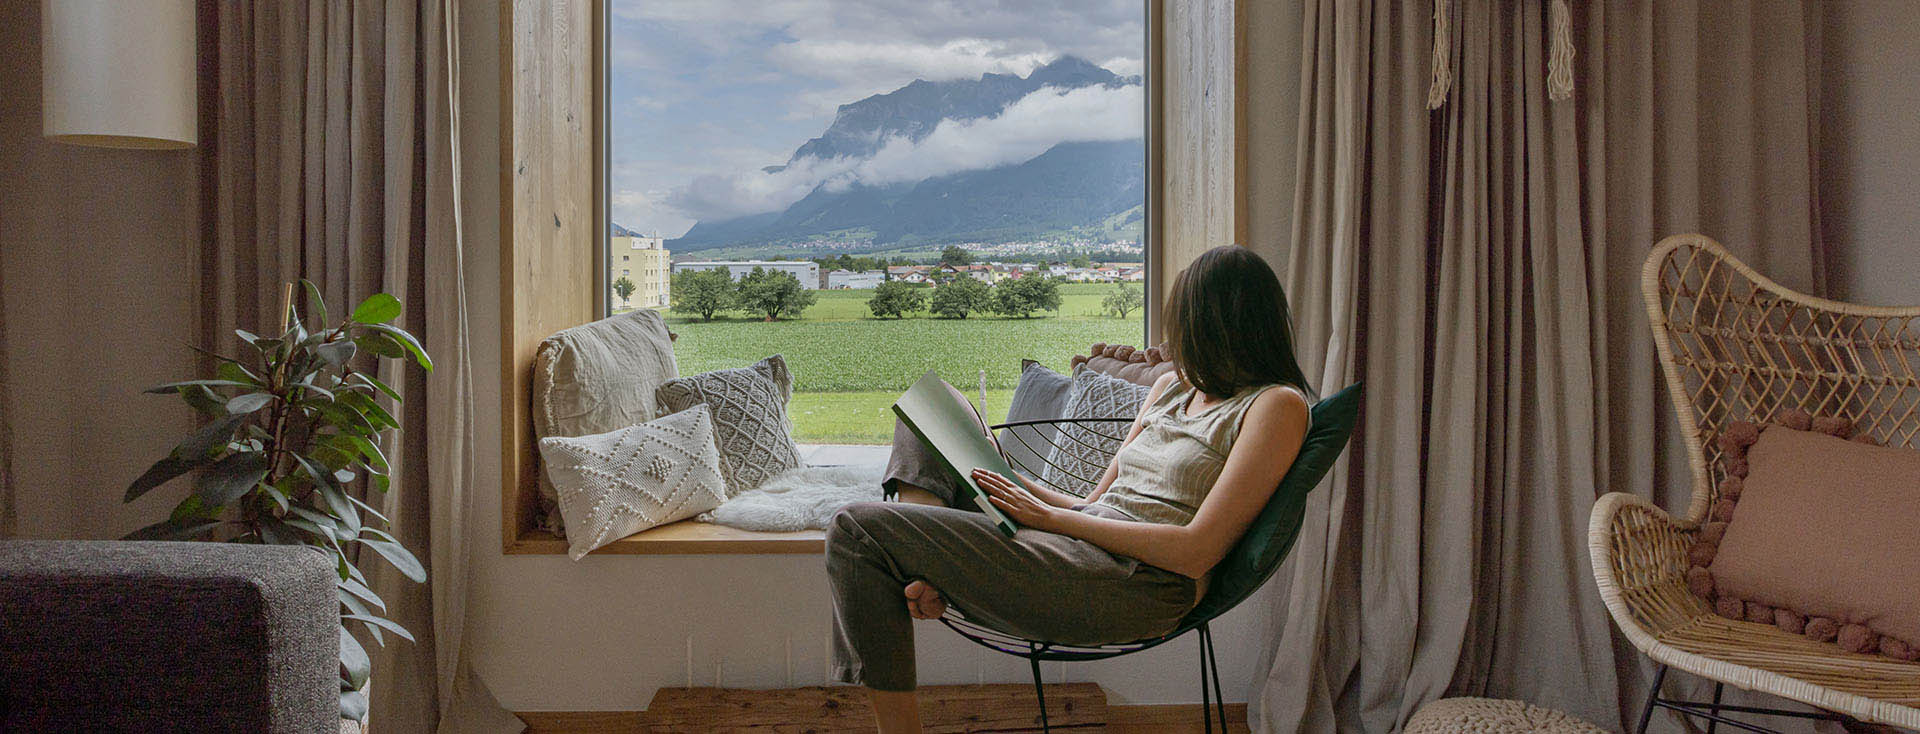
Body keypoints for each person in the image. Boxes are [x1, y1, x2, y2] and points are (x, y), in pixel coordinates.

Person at [826, 245, 1314, 733]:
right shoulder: (1170, 389)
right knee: (932, 411)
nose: (1176, 338)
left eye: (1184, 321)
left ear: (1225, 324)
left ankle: (921, 582)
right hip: (1078, 543)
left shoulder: (1275, 406)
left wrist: (1052, 519)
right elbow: (1096, 505)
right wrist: (1021, 490)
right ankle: (924, 563)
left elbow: (1195, 552)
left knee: (854, 528)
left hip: (1136, 582)